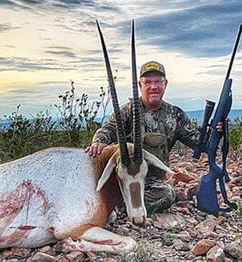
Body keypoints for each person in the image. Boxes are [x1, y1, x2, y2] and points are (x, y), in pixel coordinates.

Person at [85, 60, 205, 214]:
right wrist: (99, 141)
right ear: (140, 85)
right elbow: (108, 129)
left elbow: (198, 143)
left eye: (158, 82)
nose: (153, 86)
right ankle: (119, 205)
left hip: (151, 183)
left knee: (167, 195)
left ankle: (117, 206)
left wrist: (219, 131)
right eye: (147, 82)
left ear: (165, 84)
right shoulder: (128, 111)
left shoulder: (176, 115)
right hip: (127, 179)